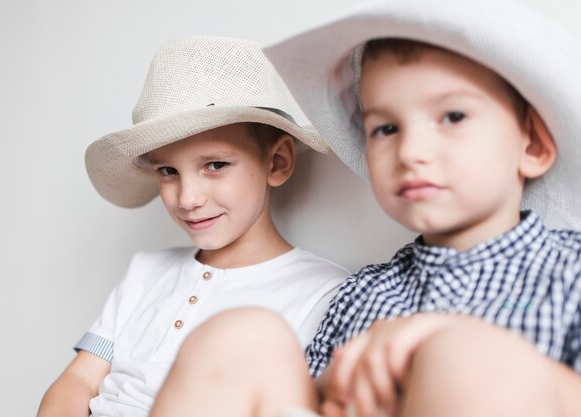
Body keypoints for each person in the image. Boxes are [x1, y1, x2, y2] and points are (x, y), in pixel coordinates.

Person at [146, 1, 581, 416]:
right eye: (386, 128)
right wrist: (335, 389)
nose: (412, 151)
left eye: (453, 117)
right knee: (241, 335)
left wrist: (447, 341)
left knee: (460, 356)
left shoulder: (570, 271)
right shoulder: (363, 294)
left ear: (534, 145)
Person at [36, 35, 348, 417]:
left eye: (215, 165)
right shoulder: (145, 274)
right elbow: (79, 381)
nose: (187, 198)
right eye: (168, 171)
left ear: (277, 162)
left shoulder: (322, 294)